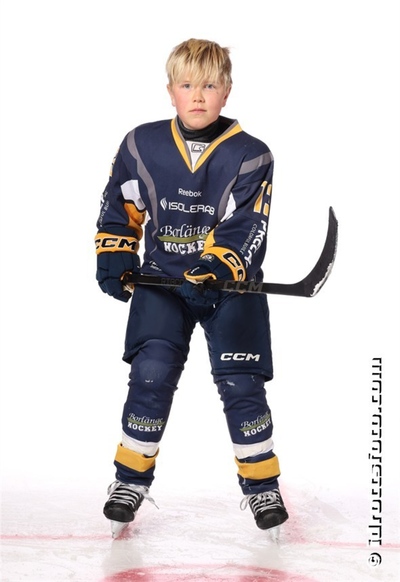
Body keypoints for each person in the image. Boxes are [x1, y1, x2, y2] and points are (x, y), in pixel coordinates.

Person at [95, 38, 288, 535]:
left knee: (242, 384)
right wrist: (115, 250)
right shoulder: (141, 144)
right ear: (170, 91)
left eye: (209, 85)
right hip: (162, 283)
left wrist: (218, 263)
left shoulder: (251, 154)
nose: (197, 95)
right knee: (151, 374)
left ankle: (262, 485)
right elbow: (122, 205)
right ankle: (129, 481)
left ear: (227, 90)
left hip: (231, 289)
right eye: (186, 85)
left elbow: (249, 223)